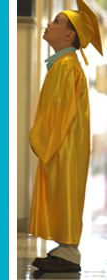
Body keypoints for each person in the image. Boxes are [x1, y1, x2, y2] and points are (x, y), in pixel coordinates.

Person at [28, 0, 103, 272]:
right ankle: (64, 248)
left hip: (63, 143)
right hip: (64, 142)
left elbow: (58, 112)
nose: (49, 24)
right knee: (62, 192)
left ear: (69, 36)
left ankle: (69, 252)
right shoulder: (64, 65)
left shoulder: (66, 66)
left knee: (65, 191)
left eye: (57, 21)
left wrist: (38, 136)